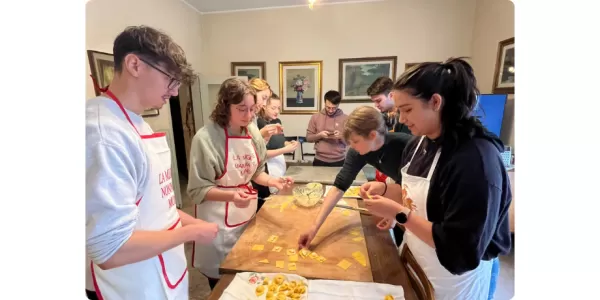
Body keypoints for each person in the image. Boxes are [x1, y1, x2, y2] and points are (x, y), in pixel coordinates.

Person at [85, 25, 219, 300]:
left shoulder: (136, 122)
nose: (174, 91)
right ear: (135, 64)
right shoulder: (105, 134)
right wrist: (188, 234)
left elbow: (156, 205)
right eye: (171, 79)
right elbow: (110, 250)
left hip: (161, 271)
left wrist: (188, 221)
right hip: (133, 283)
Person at [362, 58, 512, 299]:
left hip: (453, 281)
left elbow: (460, 249)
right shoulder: (419, 142)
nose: (401, 119)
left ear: (435, 102)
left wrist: (399, 214)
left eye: (407, 109)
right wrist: (384, 189)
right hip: (416, 261)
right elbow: (415, 196)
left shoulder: (476, 161)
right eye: (399, 110)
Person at [187, 78, 294, 290]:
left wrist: (274, 181)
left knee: (246, 275)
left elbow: (255, 173)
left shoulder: (252, 133)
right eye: (241, 109)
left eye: (252, 109)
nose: (248, 116)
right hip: (217, 221)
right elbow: (197, 190)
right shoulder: (206, 138)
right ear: (225, 106)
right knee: (221, 281)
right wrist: (232, 196)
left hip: (246, 216)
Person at [298, 106, 411, 249]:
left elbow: (410, 190)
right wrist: (314, 227)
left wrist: (391, 209)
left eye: (355, 141)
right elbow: (339, 186)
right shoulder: (357, 152)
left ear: (372, 135)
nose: (351, 146)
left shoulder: (407, 146)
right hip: (401, 192)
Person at [254, 93, 300, 204]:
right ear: (264, 106)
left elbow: (280, 142)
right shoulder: (259, 123)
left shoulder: (277, 121)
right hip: (267, 169)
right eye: (273, 108)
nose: (277, 111)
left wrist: (288, 143)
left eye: (279, 108)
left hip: (280, 165)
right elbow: (262, 153)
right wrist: (285, 150)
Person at [367, 76, 412, 184]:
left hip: (401, 175)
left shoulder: (406, 118)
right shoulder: (382, 117)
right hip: (383, 171)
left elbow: (408, 151)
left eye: (379, 100)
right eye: (374, 101)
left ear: (391, 95)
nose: (376, 105)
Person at [306, 90, 348, 167]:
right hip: (319, 160)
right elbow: (308, 138)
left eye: (334, 108)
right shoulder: (315, 117)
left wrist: (341, 136)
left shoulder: (346, 118)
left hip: (339, 160)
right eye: (328, 107)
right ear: (324, 103)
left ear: (338, 105)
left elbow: (350, 142)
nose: (331, 110)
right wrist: (319, 135)